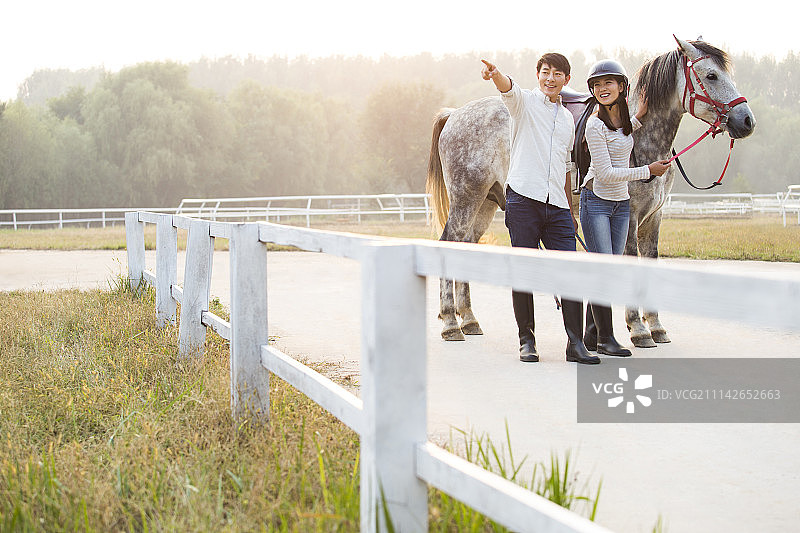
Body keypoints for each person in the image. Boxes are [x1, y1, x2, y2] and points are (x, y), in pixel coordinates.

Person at [481, 54, 599, 365]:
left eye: (557, 74)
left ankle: (575, 344)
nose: (550, 78)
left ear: (566, 80)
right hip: (523, 199)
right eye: (545, 72)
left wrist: (570, 210)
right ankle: (527, 340)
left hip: (557, 206)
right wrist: (495, 74)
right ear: (538, 75)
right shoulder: (525, 104)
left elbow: (566, 165)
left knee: (570, 273)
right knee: (524, 273)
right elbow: (508, 89)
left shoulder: (567, 119)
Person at [579, 59, 671, 356]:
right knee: (604, 269)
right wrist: (648, 170)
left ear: (622, 87)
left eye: (608, 83)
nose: (602, 89)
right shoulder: (594, 125)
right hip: (597, 203)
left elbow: (624, 133)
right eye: (597, 85)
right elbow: (605, 172)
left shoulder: (623, 123)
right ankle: (607, 339)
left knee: (612, 269)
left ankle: (591, 335)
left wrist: (641, 112)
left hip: (620, 204)